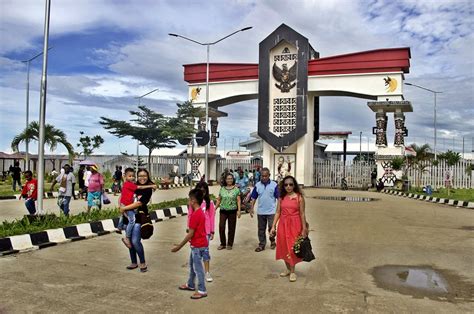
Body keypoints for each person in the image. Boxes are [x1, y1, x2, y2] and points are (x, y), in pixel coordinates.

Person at [270, 176, 308, 282]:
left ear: (294, 185)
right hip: (283, 224)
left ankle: (292, 271)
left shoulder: (299, 197)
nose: (288, 187)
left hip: (295, 224)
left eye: (291, 184)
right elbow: (278, 212)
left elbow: (302, 213)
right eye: (286, 184)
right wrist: (273, 226)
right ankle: (287, 268)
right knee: (283, 247)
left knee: (292, 247)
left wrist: (304, 228)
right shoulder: (281, 197)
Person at [172, 188, 208, 299]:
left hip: (197, 245)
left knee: (198, 269)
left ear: (193, 201)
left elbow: (190, 234)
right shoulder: (200, 212)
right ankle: (190, 284)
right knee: (193, 266)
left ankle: (202, 290)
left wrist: (179, 246)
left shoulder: (195, 215)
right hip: (200, 244)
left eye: (189, 199)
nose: (188, 202)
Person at [120, 168, 154, 273]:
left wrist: (124, 208)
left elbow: (139, 203)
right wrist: (120, 206)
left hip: (140, 216)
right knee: (129, 240)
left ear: (148, 176)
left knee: (135, 241)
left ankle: (142, 262)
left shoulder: (147, 190)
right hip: (128, 215)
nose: (142, 178)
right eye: (140, 176)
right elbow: (123, 195)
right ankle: (134, 262)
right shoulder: (132, 185)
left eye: (144, 176)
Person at [187, 180, 216, 282]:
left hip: (206, 232)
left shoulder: (209, 203)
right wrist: (188, 229)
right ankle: (193, 273)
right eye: (200, 191)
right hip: (195, 231)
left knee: (205, 252)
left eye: (204, 191)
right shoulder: (193, 203)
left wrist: (212, 231)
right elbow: (189, 216)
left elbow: (212, 216)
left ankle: (207, 272)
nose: (202, 193)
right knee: (194, 252)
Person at [249, 167, 278, 252]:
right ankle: (262, 245)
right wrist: (251, 208)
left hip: (272, 212)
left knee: (271, 228)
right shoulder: (257, 185)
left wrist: (279, 210)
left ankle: (272, 241)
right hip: (261, 212)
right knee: (261, 229)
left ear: (269, 175)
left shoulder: (274, 185)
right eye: (262, 176)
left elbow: (279, 198)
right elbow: (253, 198)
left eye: (266, 176)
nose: (264, 178)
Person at [215, 173, 241, 250]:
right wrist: (214, 208)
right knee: (221, 227)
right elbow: (219, 199)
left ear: (233, 180)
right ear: (225, 180)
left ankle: (229, 244)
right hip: (223, 210)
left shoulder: (236, 189)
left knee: (231, 228)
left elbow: (238, 200)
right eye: (228, 179)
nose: (229, 180)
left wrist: (239, 211)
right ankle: (222, 243)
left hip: (232, 211)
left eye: (231, 178)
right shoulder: (222, 189)